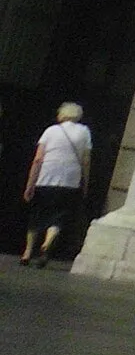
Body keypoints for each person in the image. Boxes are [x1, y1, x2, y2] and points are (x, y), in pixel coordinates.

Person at [19, 101, 92, 265]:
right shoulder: (84, 132)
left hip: (46, 178)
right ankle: (47, 243)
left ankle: (27, 252)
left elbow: (38, 159)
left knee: (37, 215)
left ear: (62, 114)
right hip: (69, 181)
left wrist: (30, 183)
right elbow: (86, 161)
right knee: (58, 216)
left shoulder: (51, 131)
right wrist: (85, 183)